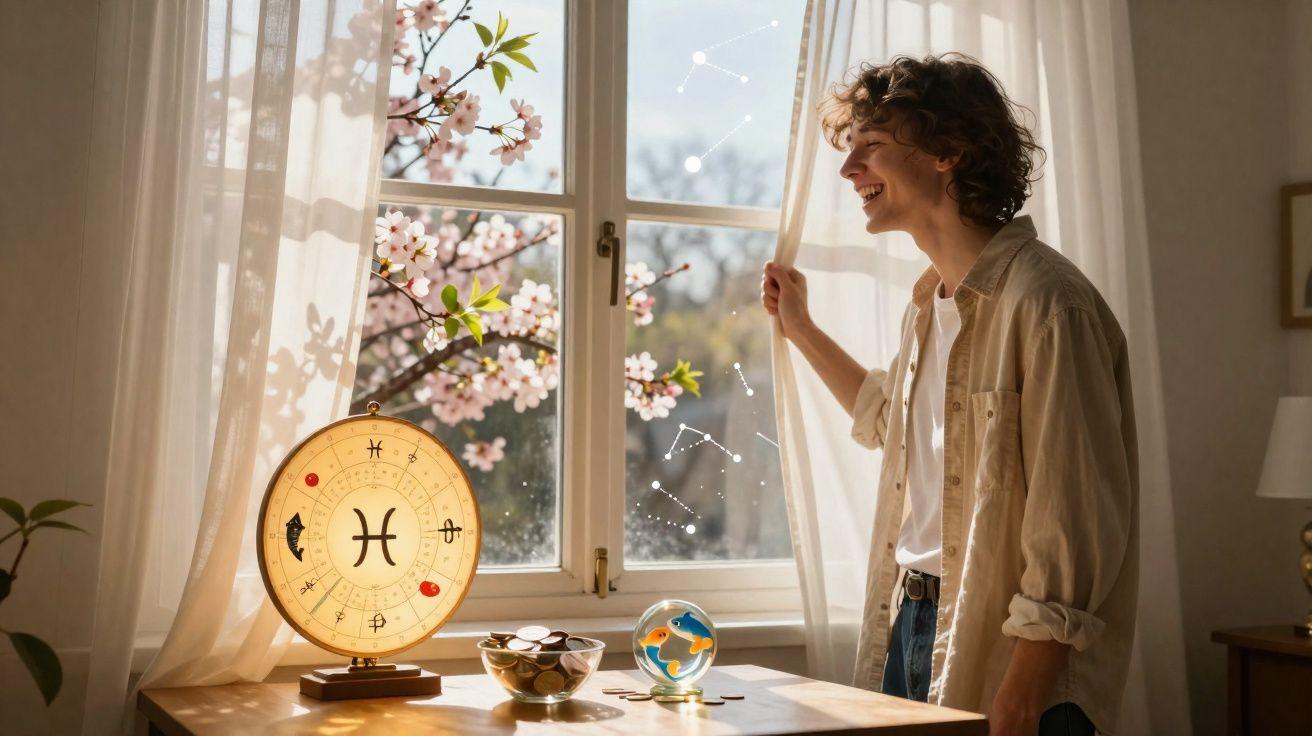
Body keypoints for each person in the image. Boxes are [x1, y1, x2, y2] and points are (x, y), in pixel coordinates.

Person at [762, 54, 1137, 736]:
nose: (849, 173)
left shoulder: (1050, 305)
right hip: (914, 620)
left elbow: (1073, 524)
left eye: (869, 148)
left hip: (1014, 658)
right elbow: (890, 425)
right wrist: (801, 330)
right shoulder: (925, 302)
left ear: (948, 154)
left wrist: (1022, 693)